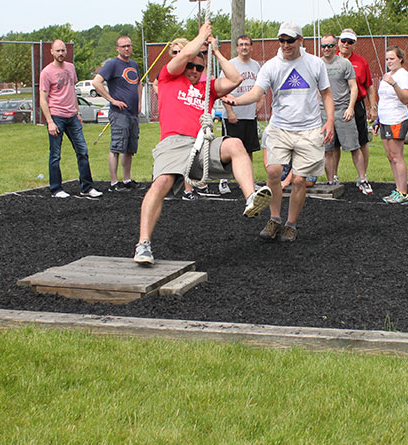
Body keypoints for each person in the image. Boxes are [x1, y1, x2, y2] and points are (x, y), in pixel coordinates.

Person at [134, 23, 271, 265]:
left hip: (200, 145)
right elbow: (186, 54)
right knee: (162, 183)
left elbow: (236, 78)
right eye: (191, 66)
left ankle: (250, 197)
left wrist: (216, 52)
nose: (195, 70)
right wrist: (201, 36)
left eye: (200, 66)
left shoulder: (207, 87)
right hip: (174, 142)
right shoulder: (168, 78)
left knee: (236, 145)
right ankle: (143, 244)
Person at [222, 22, 334, 242]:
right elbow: (256, 92)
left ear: (301, 41)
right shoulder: (271, 66)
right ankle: (274, 219)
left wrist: (330, 120)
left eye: (290, 40)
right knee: (273, 172)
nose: (285, 45)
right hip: (280, 127)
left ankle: (291, 224)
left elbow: (326, 93)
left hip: (309, 129)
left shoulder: (314, 63)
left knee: (300, 180)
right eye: (281, 40)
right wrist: (236, 101)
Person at [38, 39, 102, 199]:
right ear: (51, 52)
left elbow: (73, 91)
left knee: (82, 151)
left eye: (63, 50)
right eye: (58, 51)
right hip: (57, 116)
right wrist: (50, 121)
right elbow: (43, 99)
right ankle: (56, 189)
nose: (61, 53)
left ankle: (87, 187)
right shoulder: (46, 72)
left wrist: (78, 112)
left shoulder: (70, 68)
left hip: (72, 116)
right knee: (55, 154)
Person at [92, 35, 141, 191]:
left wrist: (139, 102)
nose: (127, 48)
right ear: (117, 49)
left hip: (133, 113)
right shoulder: (112, 64)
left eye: (129, 45)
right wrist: (112, 100)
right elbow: (96, 82)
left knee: (129, 148)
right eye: (123, 46)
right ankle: (114, 182)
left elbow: (138, 83)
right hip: (119, 113)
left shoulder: (133, 64)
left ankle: (127, 179)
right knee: (117, 147)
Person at [369, 45, 408, 204]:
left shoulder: (403, 76)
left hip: (397, 119)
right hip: (385, 119)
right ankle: (397, 189)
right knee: (390, 156)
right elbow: (384, 100)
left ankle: (404, 193)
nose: (389, 62)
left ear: (400, 59)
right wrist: (378, 120)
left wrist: (394, 84)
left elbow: (405, 98)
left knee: (397, 156)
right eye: (387, 59)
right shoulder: (386, 75)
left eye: (392, 58)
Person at [318, 34, 360, 185]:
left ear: (335, 46)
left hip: (342, 110)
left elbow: (353, 87)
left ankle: (362, 178)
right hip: (323, 112)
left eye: (330, 45)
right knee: (328, 149)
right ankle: (331, 180)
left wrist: (350, 108)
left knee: (353, 146)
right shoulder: (317, 64)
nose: (327, 49)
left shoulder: (344, 63)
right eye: (324, 46)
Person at [337, 28, 373, 194]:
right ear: (339, 42)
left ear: (354, 45)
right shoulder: (331, 59)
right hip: (335, 106)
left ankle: (362, 177)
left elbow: (369, 86)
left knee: (361, 142)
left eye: (350, 42)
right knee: (333, 144)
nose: (346, 44)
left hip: (356, 105)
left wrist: (373, 107)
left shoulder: (361, 62)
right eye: (344, 41)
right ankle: (333, 178)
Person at [223, 35, 261, 159]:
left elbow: (262, 90)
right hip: (234, 116)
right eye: (241, 45)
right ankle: (228, 177)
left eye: (246, 44)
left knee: (249, 150)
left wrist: (257, 108)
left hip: (249, 116)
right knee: (231, 149)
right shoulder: (229, 65)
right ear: (237, 48)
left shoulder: (256, 66)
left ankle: (248, 176)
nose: (244, 47)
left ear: (251, 47)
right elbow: (222, 91)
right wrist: (230, 112)